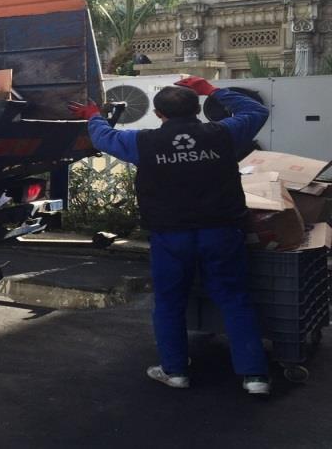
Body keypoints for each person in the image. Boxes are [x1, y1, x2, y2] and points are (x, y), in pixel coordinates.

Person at [68, 76, 272, 396]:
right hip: (221, 232)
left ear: (159, 114)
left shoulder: (143, 143)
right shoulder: (224, 133)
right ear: (199, 109)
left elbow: (104, 137)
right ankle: (255, 376)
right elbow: (255, 110)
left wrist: (93, 114)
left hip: (171, 236)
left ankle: (175, 371)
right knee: (235, 300)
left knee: (169, 302)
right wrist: (211, 89)